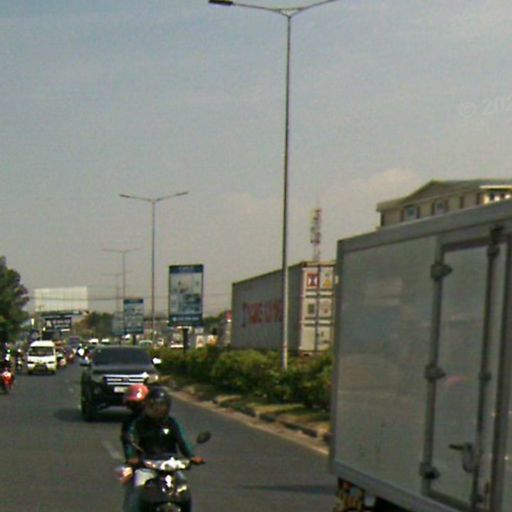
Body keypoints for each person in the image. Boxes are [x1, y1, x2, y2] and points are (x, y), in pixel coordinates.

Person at [125, 387, 204, 512]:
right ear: (147, 406)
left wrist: (191, 456)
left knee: (182, 485)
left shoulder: (172, 423)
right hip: (147, 466)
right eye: (154, 406)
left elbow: (182, 440)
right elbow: (131, 441)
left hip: (170, 465)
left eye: (162, 406)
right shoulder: (139, 424)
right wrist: (132, 457)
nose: (158, 409)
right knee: (138, 487)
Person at [121, 384, 150, 512]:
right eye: (132, 404)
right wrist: (132, 458)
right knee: (135, 491)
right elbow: (127, 443)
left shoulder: (164, 421)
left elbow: (180, 439)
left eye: (138, 403)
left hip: (165, 463)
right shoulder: (129, 423)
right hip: (141, 465)